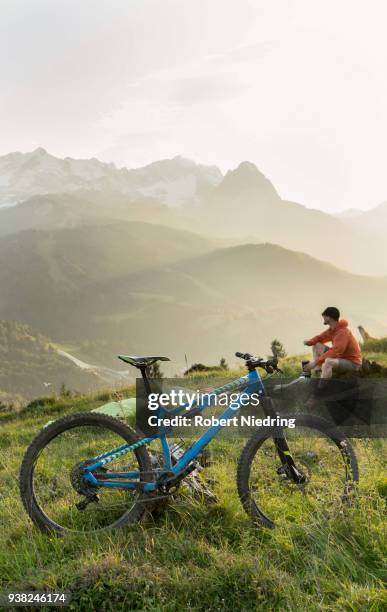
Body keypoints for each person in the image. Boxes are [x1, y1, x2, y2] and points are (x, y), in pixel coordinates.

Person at [303, 307, 362, 379]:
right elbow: (321, 337)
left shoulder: (342, 332)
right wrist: (310, 342)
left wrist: (315, 362)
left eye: (324, 316)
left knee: (328, 362)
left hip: (352, 363)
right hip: (340, 358)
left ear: (329, 317)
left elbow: (336, 351)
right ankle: (318, 372)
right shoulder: (333, 329)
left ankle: (321, 388)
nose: (323, 317)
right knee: (316, 345)